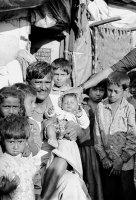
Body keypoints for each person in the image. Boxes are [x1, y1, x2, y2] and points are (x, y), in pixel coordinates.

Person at [25, 61, 86, 199]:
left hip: (54, 165)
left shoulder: (59, 103)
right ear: (28, 82)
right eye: (38, 82)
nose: (43, 87)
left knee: (73, 181)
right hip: (30, 165)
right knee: (72, 181)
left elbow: (83, 133)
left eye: (47, 82)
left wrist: (76, 128)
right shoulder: (22, 106)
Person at [94, 71, 136, 200]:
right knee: (109, 194)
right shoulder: (101, 107)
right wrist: (103, 157)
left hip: (125, 164)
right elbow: (97, 135)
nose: (112, 94)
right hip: (107, 162)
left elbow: (133, 139)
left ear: (124, 91)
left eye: (116, 91)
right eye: (109, 90)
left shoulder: (128, 108)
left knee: (125, 194)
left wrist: (121, 159)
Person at [79, 79, 107, 200]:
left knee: (100, 177)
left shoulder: (106, 105)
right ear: (88, 90)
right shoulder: (81, 105)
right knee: (89, 175)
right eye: (95, 89)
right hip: (87, 145)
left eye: (101, 90)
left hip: (102, 146)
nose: (98, 93)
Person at [0, 115, 37, 200]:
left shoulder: (27, 157)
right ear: (3, 140)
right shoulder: (3, 161)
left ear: (26, 141)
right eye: (11, 142)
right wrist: (6, 188)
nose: (16, 147)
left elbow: (36, 180)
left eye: (20, 141)